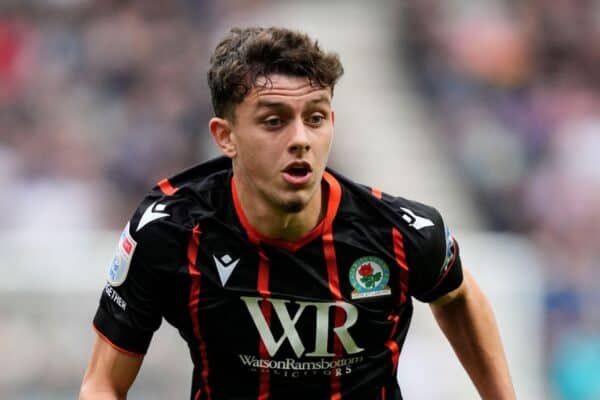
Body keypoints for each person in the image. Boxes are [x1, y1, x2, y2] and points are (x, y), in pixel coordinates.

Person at [79, 26, 516, 400]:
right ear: (225, 136)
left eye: (316, 117)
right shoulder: (169, 232)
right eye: (274, 121)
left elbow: (457, 294)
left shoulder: (400, 234)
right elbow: (103, 383)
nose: (301, 139)